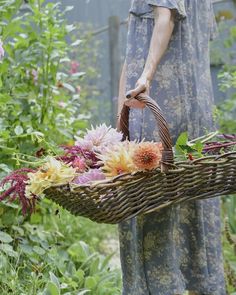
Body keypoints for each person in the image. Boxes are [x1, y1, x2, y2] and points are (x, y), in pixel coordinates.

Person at [117, 1, 226, 294]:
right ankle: (201, 284)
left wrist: (145, 77)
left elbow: (164, 17)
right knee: (191, 195)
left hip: (158, 104)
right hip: (192, 105)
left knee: (150, 200)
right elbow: (134, 47)